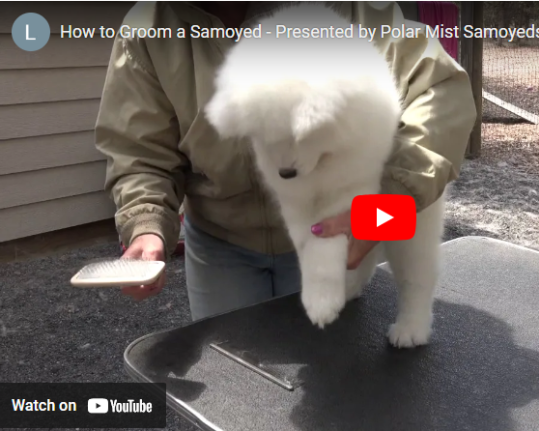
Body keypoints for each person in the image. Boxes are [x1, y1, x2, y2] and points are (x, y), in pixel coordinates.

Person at [94, 1, 476, 321]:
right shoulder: (147, 30)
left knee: (340, 375)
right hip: (219, 245)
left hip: (336, 230)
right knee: (235, 378)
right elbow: (140, 152)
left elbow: (438, 90)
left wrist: (386, 205)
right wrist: (145, 223)